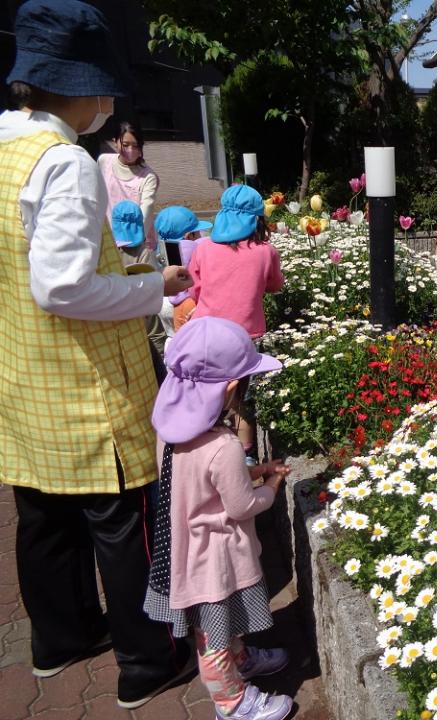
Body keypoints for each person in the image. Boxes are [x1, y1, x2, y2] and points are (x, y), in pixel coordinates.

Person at [0, 0, 193, 707]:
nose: (110, 103)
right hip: (86, 383)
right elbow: (63, 286)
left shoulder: (3, 146)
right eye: (104, 86)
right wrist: (153, 288)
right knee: (121, 522)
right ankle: (147, 662)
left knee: (44, 517)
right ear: (78, 86)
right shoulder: (68, 163)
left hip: (22, 375)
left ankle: (61, 640)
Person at [147, 316, 293, 720]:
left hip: (184, 549)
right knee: (211, 636)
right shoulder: (224, 446)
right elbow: (242, 507)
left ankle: (241, 658)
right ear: (230, 389)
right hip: (213, 561)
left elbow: (198, 484)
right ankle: (232, 703)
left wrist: (251, 472)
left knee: (221, 623)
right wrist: (272, 487)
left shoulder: (168, 432)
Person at [188, 184, 284, 462]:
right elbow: (275, 285)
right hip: (244, 336)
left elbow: (196, 289)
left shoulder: (204, 248)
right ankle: (247, 455)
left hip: (206, 334)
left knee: (209, 391)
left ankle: (209, 449)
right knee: (242, 396)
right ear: (257, 221)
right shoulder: (266, 252)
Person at [111, 199, 170, 358]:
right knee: (155, 338)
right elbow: (156, 280)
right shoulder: (144, 252)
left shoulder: (110, 249)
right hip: (143, 309)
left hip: (116, 308)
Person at [98, 120, 161, 251]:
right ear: (115, 142)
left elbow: (146, 212)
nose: (130, 150)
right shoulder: (104, 161)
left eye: (135, 145)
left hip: (138, 242)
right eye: (125, 145)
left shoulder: (148, 177)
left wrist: (134, 242)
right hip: (109, 239)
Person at [154, 205, 212, 331]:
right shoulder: (194, 250)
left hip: (163, 305)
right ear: (189, 236)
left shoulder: (159, 255)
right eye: (198, 232)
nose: (200, 235)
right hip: (187, 305)